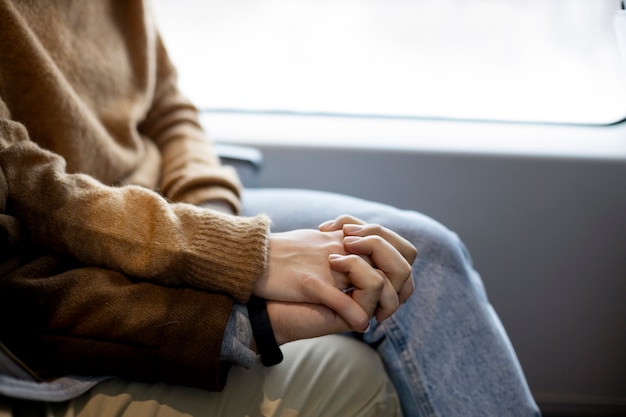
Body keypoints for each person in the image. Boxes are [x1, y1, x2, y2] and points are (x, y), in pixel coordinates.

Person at [0, 1, 541, 416]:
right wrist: (233, 262)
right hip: (65, 252)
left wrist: (210, 216)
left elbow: (167, 104)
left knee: (431, 259)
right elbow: (32, 191)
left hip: (166, 213)